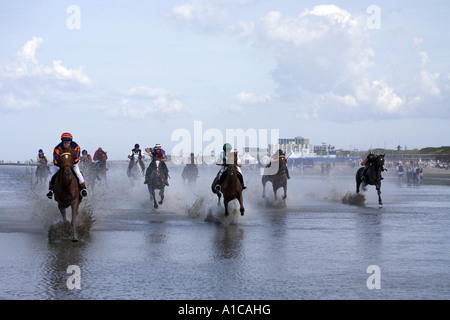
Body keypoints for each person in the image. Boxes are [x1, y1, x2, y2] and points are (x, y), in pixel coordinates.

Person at [46, 132, 87, 199]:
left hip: (72, 163)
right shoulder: (57, 148)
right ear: (62, 142)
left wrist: (71, 163)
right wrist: (62, 164)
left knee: (78, 173)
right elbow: (55, 159)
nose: (66, 144)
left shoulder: (76, 146)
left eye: (68, 142)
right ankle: (50, 191)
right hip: (60, 165)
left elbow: (77, 157)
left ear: (70, 142)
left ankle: (83, 189)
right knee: (53, 175)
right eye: (65, 142)